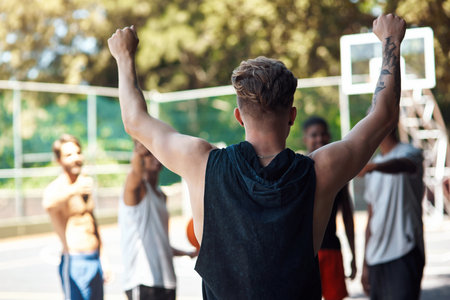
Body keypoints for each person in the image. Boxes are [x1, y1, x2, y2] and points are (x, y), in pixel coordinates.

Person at [108, 14, 406, 299]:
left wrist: (124, 56)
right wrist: (390, 40)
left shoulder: (201, 163)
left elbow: (134, 120)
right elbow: (384, 115)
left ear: (238, 116)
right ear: (292, 116)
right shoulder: (321, 170)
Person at [119, 140, 197, 300]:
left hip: (167, 281)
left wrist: (187, 253)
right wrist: (138, 151)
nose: (155, 157)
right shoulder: (136, 190)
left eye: (157, 153)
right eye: (149, 153)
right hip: (143, 281)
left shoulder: (162, 196)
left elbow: (161, 244)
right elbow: (135, 172)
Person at [359, 127, 425, 300]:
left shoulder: (410, 152)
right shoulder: (372, 168)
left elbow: (403, 165)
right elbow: (371, 218)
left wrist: (373, 167)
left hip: (404, 249)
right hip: (375, 257)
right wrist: (365, 264)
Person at [42, 134, 109, 300]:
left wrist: (104, 259)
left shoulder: (84, 184)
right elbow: (48, 203)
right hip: (74, 262)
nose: (76, 158)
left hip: (95, 259)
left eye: (78, 153)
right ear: (58, 160)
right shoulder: (57, 188)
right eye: (69, 155)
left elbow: (93, 222)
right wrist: (74, 190)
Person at [302, 116, 356, 300]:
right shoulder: (297, 170)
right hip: (304, 255)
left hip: (331, 249)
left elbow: (347, 217)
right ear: (305, 139)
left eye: (323, 134)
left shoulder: (339, 172)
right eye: (314, 135)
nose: (319, 138)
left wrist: (354, 254)